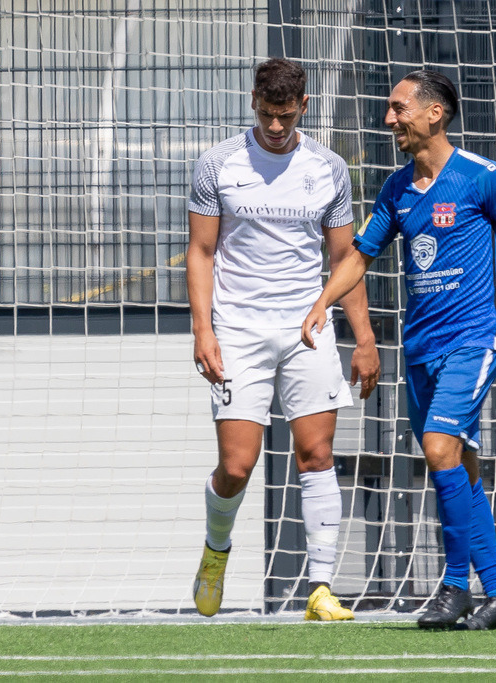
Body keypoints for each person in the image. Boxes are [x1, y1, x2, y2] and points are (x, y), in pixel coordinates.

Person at [301, 70, 496, 630]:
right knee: (457, 466)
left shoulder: (483, 178)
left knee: (437, 448)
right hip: (420, 350)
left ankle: (455, 586)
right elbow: (359, 257)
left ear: (435, 114)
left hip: (473, 341)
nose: (389, 119)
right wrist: (322, 304)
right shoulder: (396, 189)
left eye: (398, 108)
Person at [186, 57, 379, 621]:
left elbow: (345, 259)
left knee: (317, 455)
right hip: (238, 330)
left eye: (285, 115)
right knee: (237, 466)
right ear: (253, 102)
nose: (275, 126)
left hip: (308, 329)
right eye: (267, 115)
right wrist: (203, 330)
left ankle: (319, 589)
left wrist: (363, 338)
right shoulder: (217, 163)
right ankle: (216, 552)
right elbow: (200, 252)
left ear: (303, 107)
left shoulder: (329, 167)